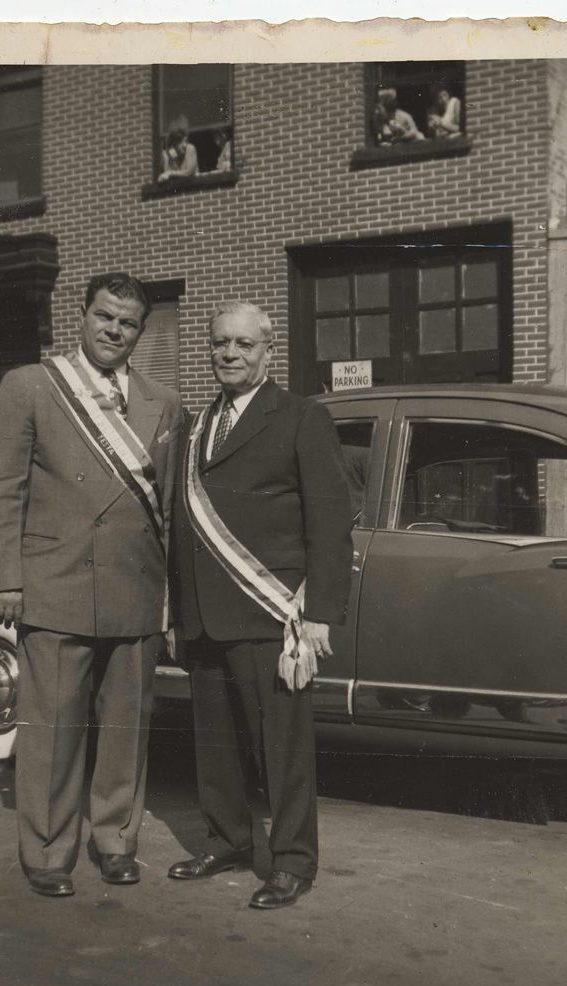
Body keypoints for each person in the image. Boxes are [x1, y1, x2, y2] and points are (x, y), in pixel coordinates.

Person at [0, 272, 182, 898]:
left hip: (134, 590)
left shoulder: (163, 404)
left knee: (125, 728)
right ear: (83, 315)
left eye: (126, 323)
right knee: (54, 729)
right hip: (55, 584)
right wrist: (7, 580)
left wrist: (168, 600)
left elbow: (168, 510)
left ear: (140, 333)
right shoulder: (30, 386)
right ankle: (46, 849)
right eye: (104, 316)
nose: (113, 330)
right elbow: (1, 489)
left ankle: (115, 839)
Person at [167, 302, 353, 910]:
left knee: (283, 748)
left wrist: (321, 610)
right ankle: (227, 840)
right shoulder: (197, 426)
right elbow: (180, 524)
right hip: (204, 614)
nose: (230, 353)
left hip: (270, 615)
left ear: (268, 352)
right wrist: (177, 612)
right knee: (214, 743)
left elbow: (329, 521)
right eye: (220, 343)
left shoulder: (301, 416)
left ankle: (293, 860)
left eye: (244, 344)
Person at [158, 117, 198, 182]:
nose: (184, 145)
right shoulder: (168, 155)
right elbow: (163, 176)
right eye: (181, 142)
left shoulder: (190, 149)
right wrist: (170, 158)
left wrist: (170, 173)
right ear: (174, 144)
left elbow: (189, 172)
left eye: (185, 141)